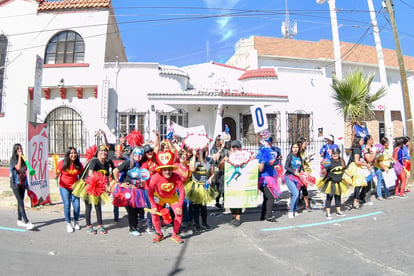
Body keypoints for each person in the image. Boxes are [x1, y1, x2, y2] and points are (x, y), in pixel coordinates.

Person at [148, 152, 185, 243]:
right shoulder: (155, 177)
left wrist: (179, 206)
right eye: (164, 170)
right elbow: (150, 193)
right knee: (154, 213)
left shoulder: (176, 176)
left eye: (169, 169)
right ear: (161, 170)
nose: (167, 172)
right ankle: (159, 234)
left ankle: (175, 234)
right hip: (159, 197)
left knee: (179, 213)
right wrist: (153, 205)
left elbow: (182, 191)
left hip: (172, 196)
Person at [113, 147, 147, 236]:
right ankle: (132, 229)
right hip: (128, 190)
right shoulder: (128, 163)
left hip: (138, 190)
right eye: (136, 154)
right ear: (133, 154)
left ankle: (134, 225)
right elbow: (115, 171)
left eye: (140, 155)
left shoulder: (141, 165)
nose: (138, 156)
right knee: (131, 209)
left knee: (137, 209)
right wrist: (119, 183)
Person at [186, 147, 217, 232]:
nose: (200, 151)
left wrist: (210, 178)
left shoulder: (209, 161)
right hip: (196, 185)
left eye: (202, 150)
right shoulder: (193, 160)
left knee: (204, 206)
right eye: (199, 150)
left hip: (204, 186)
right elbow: (192, 169)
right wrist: (194, 155)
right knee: (196, 207)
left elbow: (212, 173)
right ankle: (197, 224)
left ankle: (204, 223)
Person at [56, 147, 84, 232]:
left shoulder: (79, 164)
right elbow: (57, 175)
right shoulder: (61, 163)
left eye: (75, 153)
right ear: (68, 154)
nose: (73, 155)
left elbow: (82, 176)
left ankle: (76, 221)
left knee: (77, 206)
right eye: (71, 153)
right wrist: (56, 175)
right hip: (64, 187)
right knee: (67, 205)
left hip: (75, 188)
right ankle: (68, 223)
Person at [316, 148, 348, 219]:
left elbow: (344, 169)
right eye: (333, 154)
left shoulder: (342, 161)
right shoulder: (329, 161)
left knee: (338, 197)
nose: (335, 155)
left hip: (339, 182)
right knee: (329, 197)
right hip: (330, 182)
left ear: (339, 154)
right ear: (331, 154)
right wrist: (323, 170)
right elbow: (324, 169)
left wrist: (349, 176)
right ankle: (328, 213)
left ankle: (338, 211)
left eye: (336, 154)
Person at [85, 144, 110, 234]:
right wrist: (99, 182)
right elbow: (90, 174)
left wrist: (108, 187)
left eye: (105, 151)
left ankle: (100, 225)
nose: (104, 153)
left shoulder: (106, 163)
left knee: (98, 206)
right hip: (89, 186)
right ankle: (89, 226)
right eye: (101, 151)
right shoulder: (94, 161)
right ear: (98, 153)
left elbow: (107, 177)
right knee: (89, 206)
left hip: (98, 187)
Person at [9, 143, 34, 230]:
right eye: (18, 149)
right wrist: (20, 157)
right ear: (15, 151)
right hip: (15, 184)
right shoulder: (13, 160)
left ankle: (19, 220)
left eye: (21, 148)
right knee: (20, 202)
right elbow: (18, 168)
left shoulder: (23, 159)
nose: (20, 150)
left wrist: (27, 185)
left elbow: (25, 171)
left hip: (23, 183)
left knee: (21, 201)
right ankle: (27, 221)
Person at [256, 138, 281, 223]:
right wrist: (262, 161)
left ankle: (263, 215)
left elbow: (272, 163)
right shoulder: (260, 153)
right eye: (267, 142)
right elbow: (260, 169)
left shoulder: (272, 152)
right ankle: (268, 216)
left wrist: (275, 165)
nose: (269, 143)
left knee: (266, 197)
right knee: (270, 196)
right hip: (263, 178)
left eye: (270, 142)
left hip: (271, 177)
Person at [344, 137, 370, 209]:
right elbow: (356, 161)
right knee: (358, 185)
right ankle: (355, 202)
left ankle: (356, 200)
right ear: (358, 141)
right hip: (356, 168)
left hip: (355, 167)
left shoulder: (356, 149)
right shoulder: (357, 149)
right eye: (361, 140)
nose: (362, 141)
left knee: (358, 185)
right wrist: (366, 164)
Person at [174, 149, 193, 228]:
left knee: (190, 204)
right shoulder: (175, 165)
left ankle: (189, 220)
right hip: (176, 188)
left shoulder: (189, 166)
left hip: (185, 187)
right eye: (180, 155)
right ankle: (182, 221)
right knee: (182, 205)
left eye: (184, 155)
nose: (182, 156)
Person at [284, 143, 303, 219]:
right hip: (289, 176)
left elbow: (300, 167)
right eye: (293, 147)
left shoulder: (299, 157)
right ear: (291, 148)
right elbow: (286, 167)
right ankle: (291, 211)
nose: (295, 149)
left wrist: (302, 173)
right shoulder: (290, 156)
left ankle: (294, 210)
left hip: (297, 178)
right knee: (296, 193)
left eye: (296, 147)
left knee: (296, 195)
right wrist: (294, 172)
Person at [109, 144, 127, 222]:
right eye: (117, 152)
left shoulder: (126, 160)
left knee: (126, 198)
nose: (119, 153)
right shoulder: (111, 160)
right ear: (115, 152)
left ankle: (130, 214)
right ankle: (116, 216)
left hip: (123, 182)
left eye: (120, 152)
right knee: (116, 199)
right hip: (115, 183)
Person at [210, 135, 228, 209]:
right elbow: (215, 158)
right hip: (216, 168)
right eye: (219, 140)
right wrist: (220, 149)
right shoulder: (213, 149)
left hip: (224, 168)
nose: (220, 142)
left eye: (221, 140)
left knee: (224, 185)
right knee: (218, 186)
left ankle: (224, 201)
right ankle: (217, 201)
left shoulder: (225, 149)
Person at [360, 135, 378, 206]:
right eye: (371, 139)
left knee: (367, 183)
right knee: (368, 183)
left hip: (371, 167)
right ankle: (366, 200)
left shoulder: (372, 148)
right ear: (368, 141)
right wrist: (375, 153)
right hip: (367, 168)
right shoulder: (365, 149)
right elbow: (369, 159)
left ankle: (361, 198)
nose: (372, 140)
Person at [298, 137, 313, 211]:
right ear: (301, 144)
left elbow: (303, 160)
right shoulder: (297, 151)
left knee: (304, 188)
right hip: (297, 172)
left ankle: (307, 205)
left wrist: (308, 159)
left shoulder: (303, 151)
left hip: (303, 171)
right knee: (297, 189)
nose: (306, 145)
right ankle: (296, 204)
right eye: (305, 144)